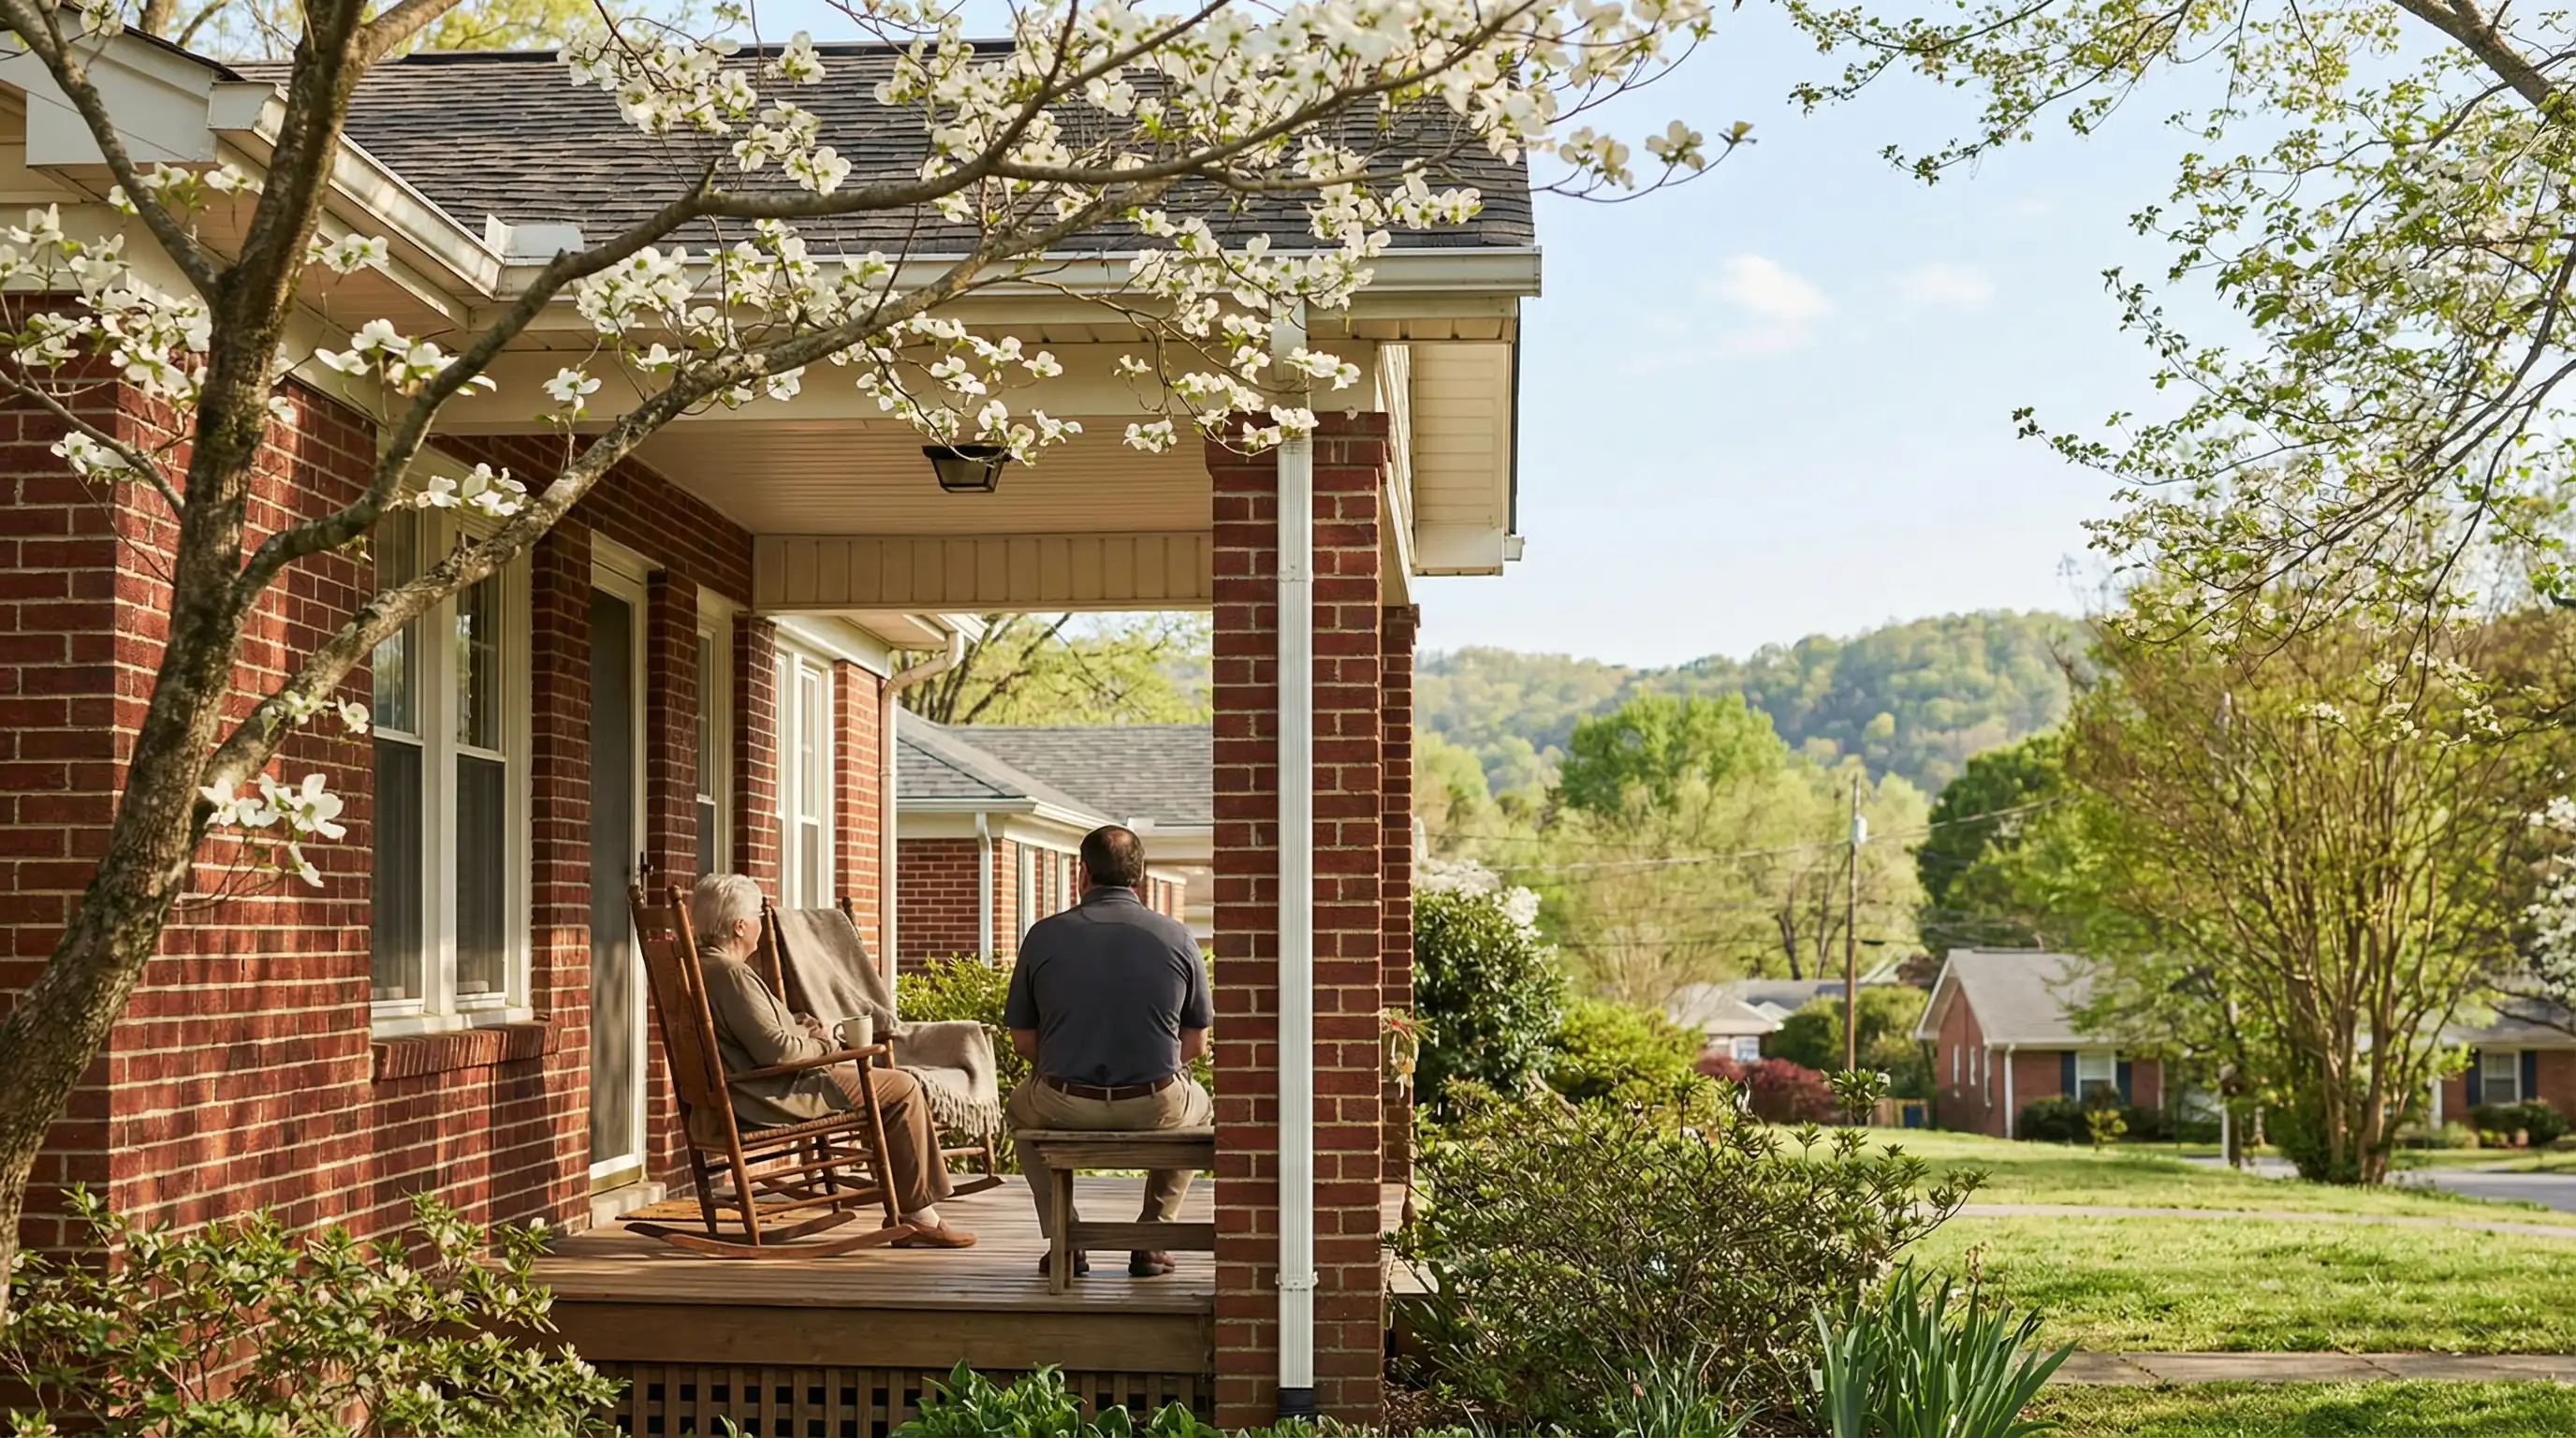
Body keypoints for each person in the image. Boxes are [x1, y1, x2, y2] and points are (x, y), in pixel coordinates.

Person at [689, 872, 976, 1249]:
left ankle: (911, 1208)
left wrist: (800, 1026)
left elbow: (758, 1034)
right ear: (740, 926)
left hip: (746, 1090)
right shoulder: (732, 975)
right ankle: (921, 1217)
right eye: (758, 915)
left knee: (889, 1088)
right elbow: (778, 1051)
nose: (762, 923)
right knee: (903, 1086)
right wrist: (824, 1046)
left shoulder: (702, 968)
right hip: (770, 1094)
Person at [1004, 824, 1213, 1278]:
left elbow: (1023, 1041)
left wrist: (1069, 1071)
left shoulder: (1042, 936)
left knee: (1019, 1110)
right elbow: (1194, 1044)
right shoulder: (1178, 937)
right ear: (1139, 877)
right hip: (1154, 1101)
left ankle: (1066, 1240)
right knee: (1201, 1108)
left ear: (1083, 873)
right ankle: (1152, 1241)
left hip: (1064, 1102)